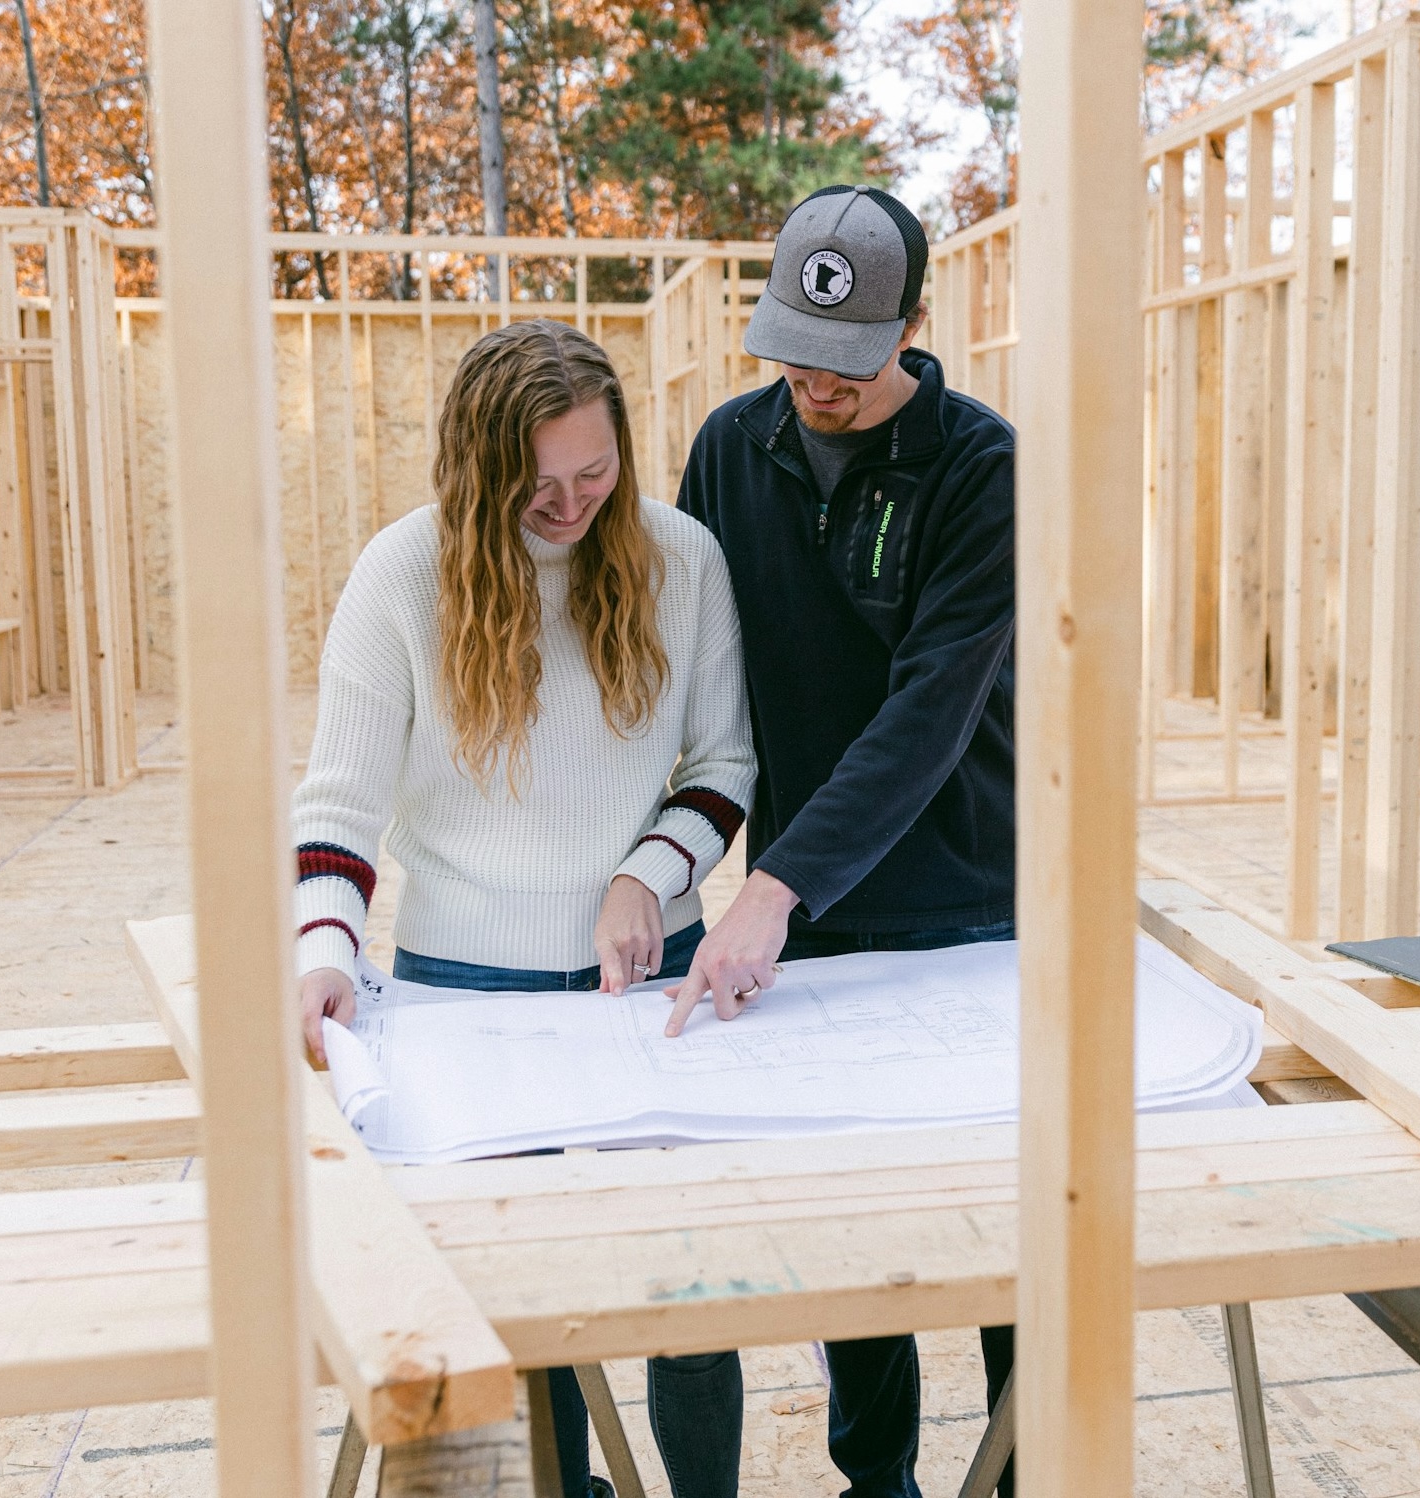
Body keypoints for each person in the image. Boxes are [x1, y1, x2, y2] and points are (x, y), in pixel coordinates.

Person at [289, 319, 755, 1498]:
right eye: (535, 485)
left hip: (655, 983)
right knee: (522, 1294)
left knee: (691, 1285)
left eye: (593, 474)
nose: (568, 504)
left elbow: (724, 764)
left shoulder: (681, 558)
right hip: (465, 993)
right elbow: (339, 806)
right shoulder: (402, 575)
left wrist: (645, 874)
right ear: (476, 470)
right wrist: (326, 950)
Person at [670, 185, 1018, 1498]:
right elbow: (687, 668)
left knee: (1000, 1210)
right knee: (855, 1209)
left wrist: (772, 884)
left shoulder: (981, 466)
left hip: (968, 887)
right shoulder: (727, 448)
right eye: (793, 353)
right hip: (800, 895)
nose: (815, 382)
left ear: (914, 326)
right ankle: (878, 1477)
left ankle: (1020, 1462)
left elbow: (929, 712)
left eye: (847, 358)